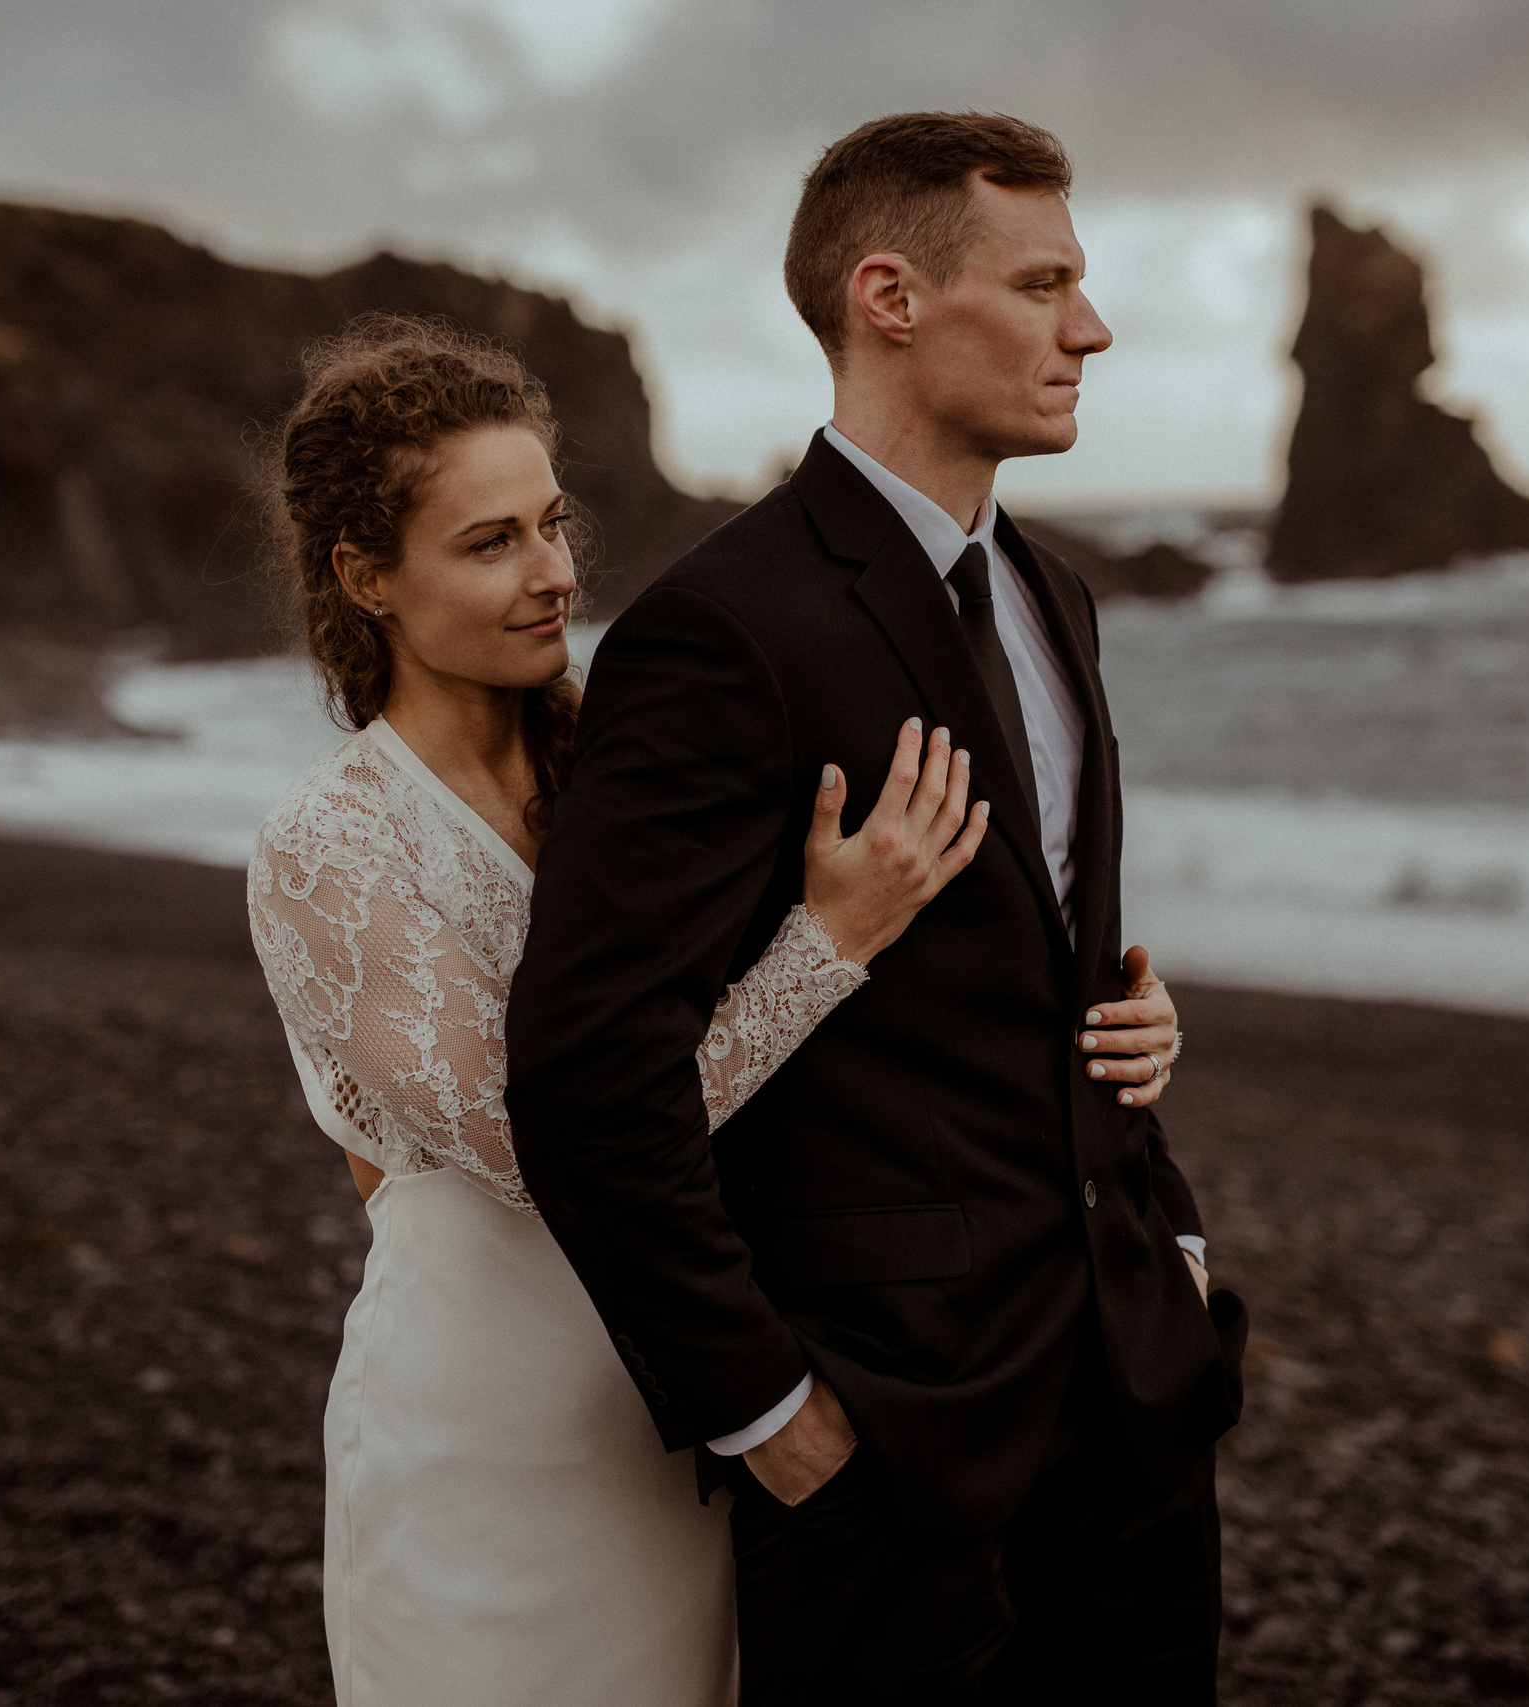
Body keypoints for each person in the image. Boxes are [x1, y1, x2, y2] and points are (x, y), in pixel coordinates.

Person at [244, 315, 1173, 1704]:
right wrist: (829, 936)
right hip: (491, 1421)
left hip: (704, 1380)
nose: (553, 573)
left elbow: (864, 1043)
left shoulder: (628, 765)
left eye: (553, 524)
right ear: (364, 574)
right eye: (488, 543)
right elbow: (533, 1130)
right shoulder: (328, 844)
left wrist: (1115, 1035)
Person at [506, 113, 1247, 1704]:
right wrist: (769, 1414)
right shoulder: (722, 631)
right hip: (887, 1450)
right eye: (1044, 283)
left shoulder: (1058, 597)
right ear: (890, 297)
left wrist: (1170, 1225)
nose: (1091, 329)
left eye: (1083, 286)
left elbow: (1053, 971)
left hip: (1132, 1407)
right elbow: (584, 1074)